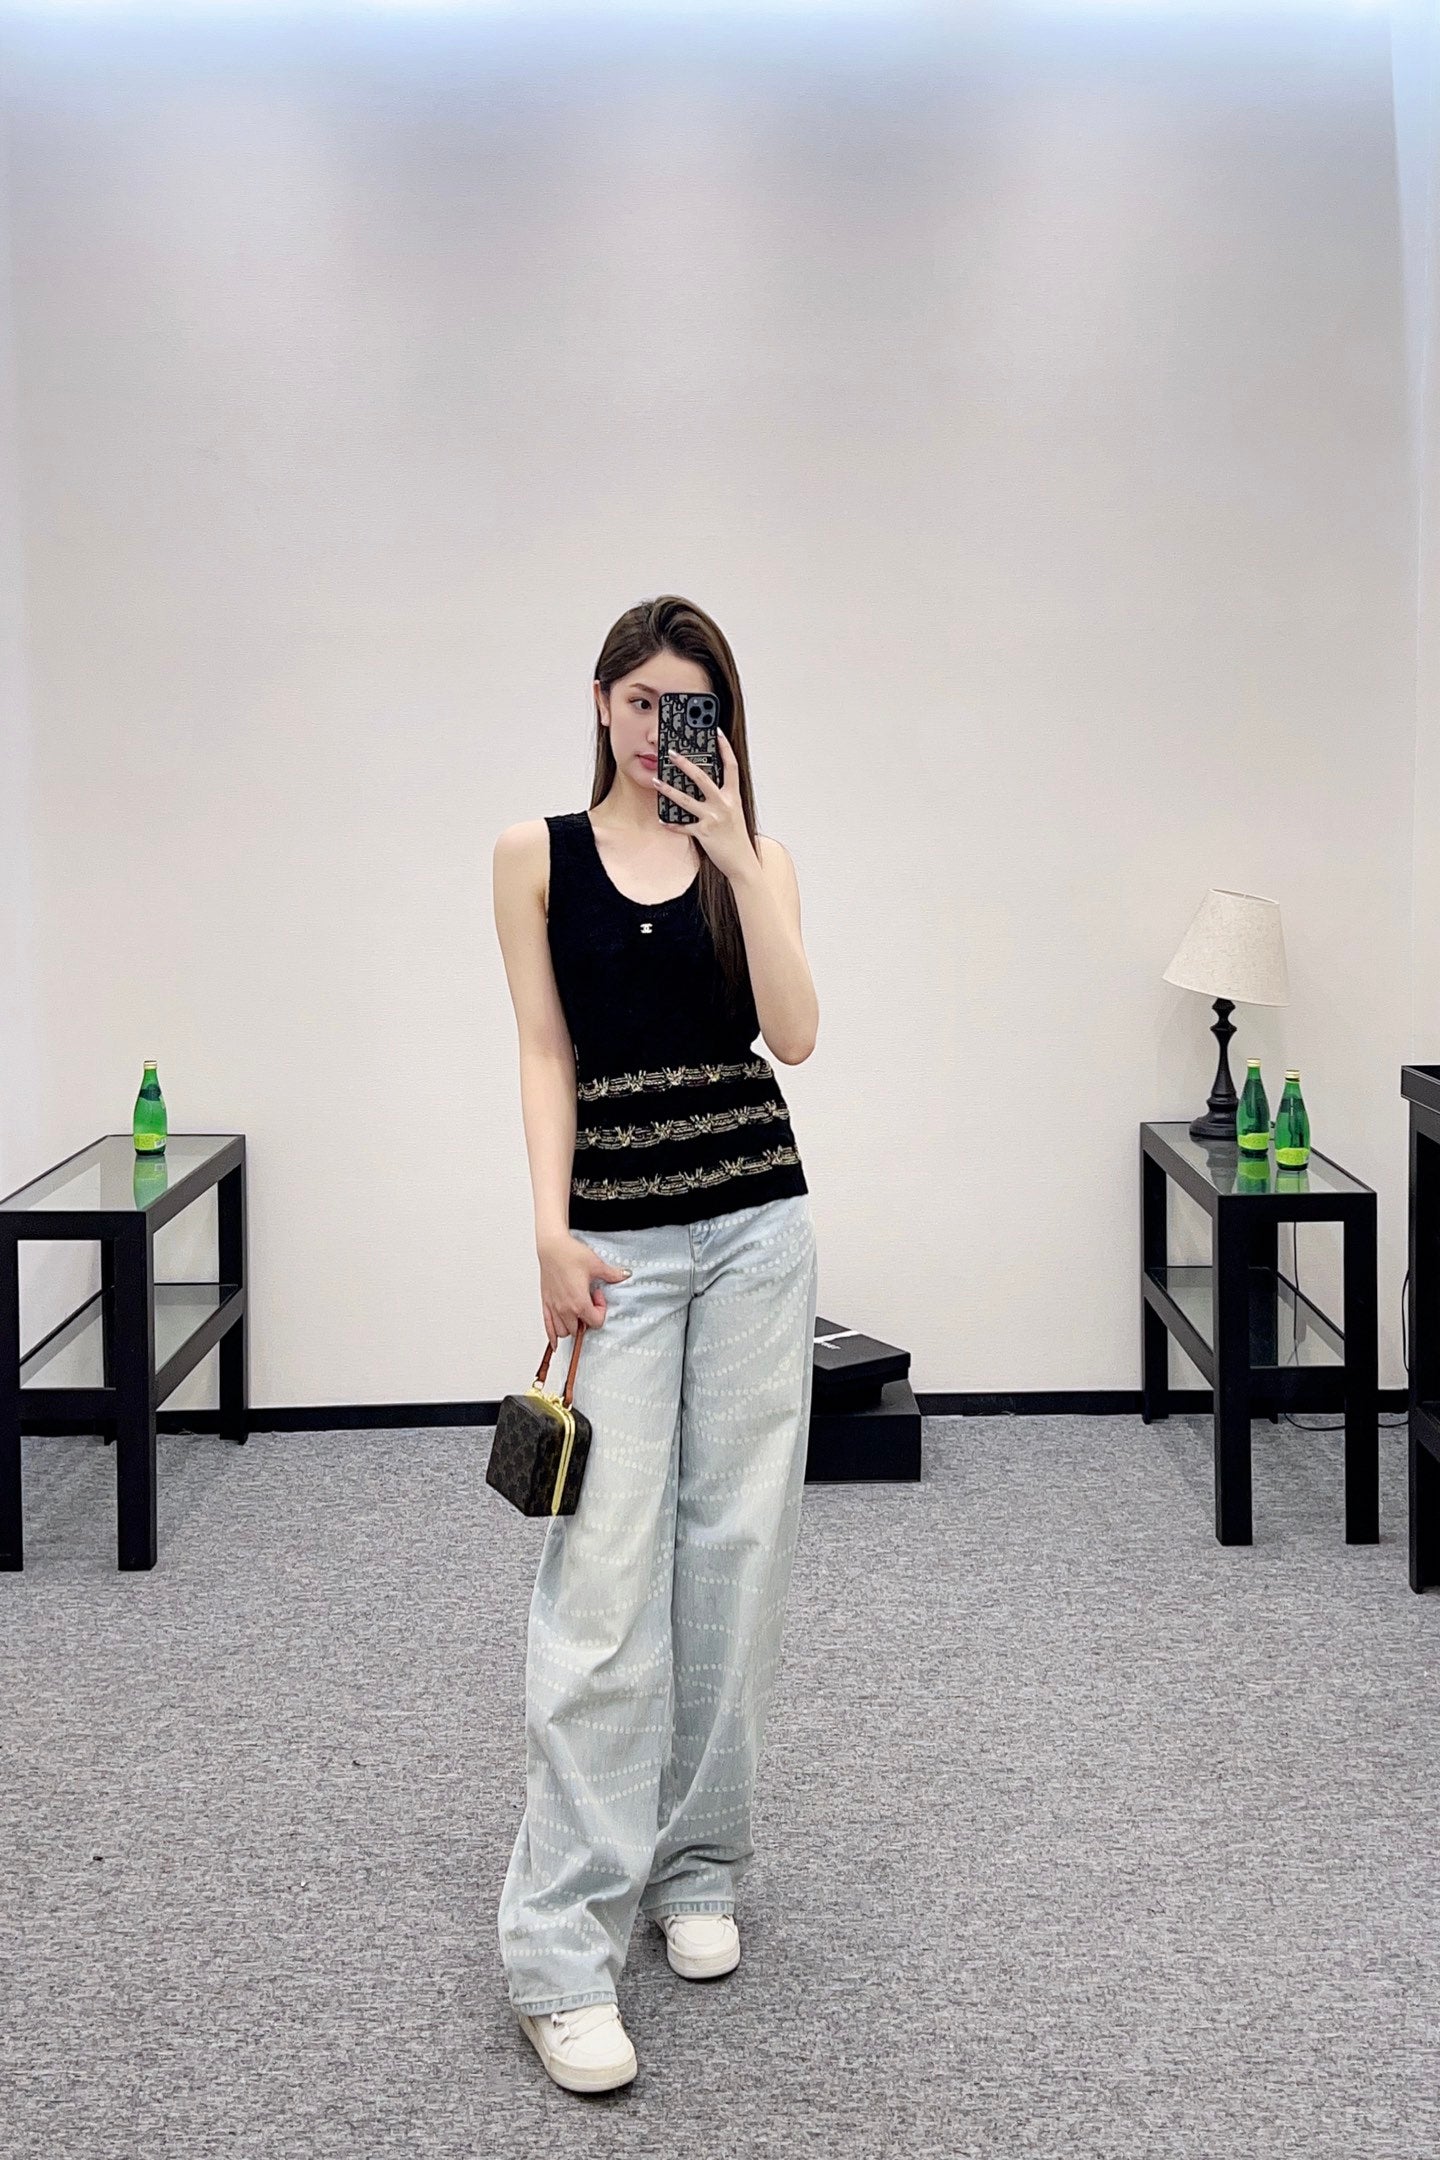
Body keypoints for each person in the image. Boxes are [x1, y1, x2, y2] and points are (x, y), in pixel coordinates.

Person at [490, 594, 820, 2095]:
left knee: (735, 1560)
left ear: (722, 723)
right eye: (639, 701)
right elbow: (544, 1047)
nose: (658, 730)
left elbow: (794, 1038)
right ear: (601, 701)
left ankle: (698, 1867)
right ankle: (560, 1955)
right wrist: (549, 1232)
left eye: (689, 707)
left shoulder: (758, 863)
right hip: (618, 1251)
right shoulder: (535, 855)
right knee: (602, 1583)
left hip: (759, 1232)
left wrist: (738, 855)